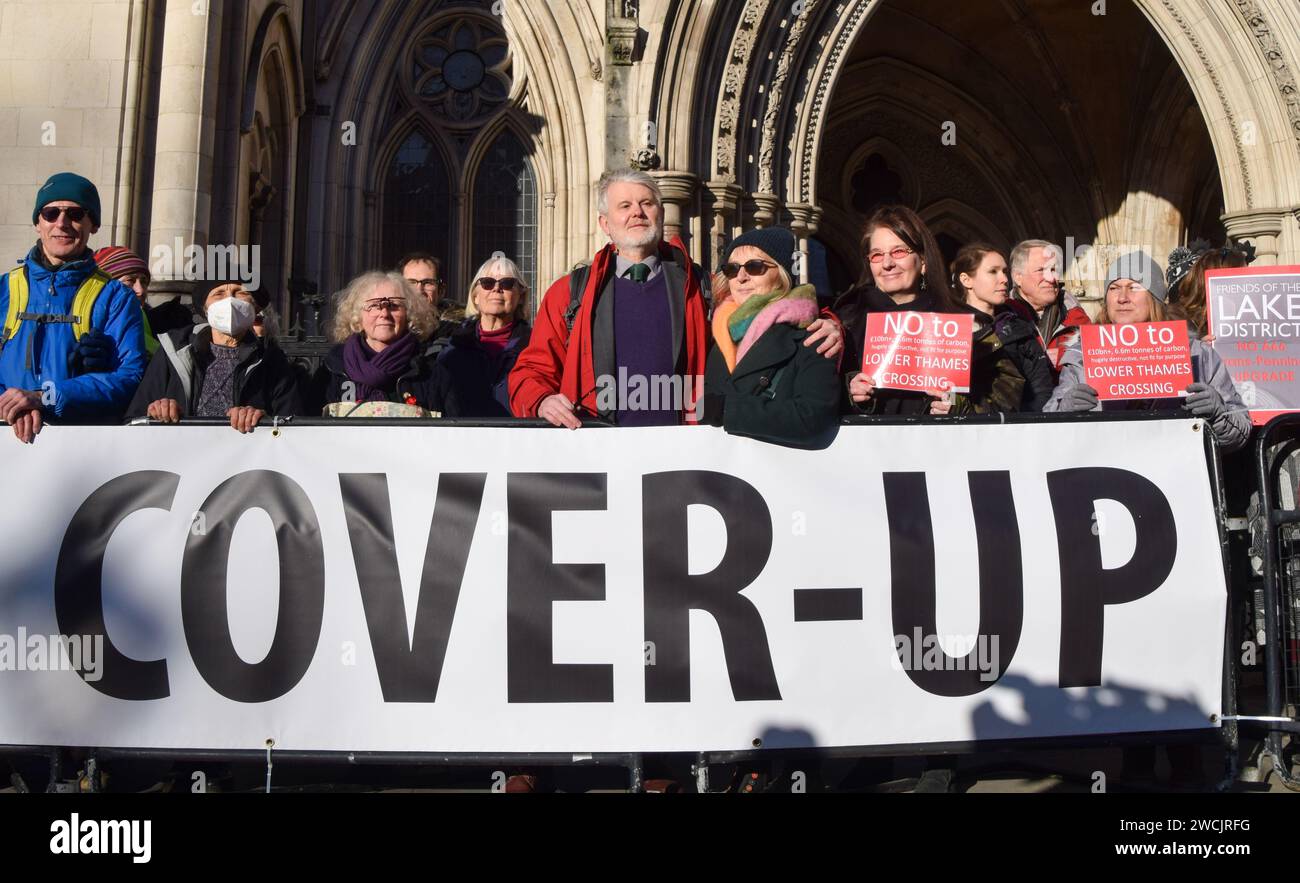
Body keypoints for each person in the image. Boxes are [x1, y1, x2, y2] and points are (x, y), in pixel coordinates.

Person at [509, 168, 843, 429]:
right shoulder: (570, 293)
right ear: (605, 223)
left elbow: (773, 305)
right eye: (624, 206)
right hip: (599, 453)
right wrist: (540, 400)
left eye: (647, 203)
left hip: (681, 455)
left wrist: (827, 324)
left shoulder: (699, 284)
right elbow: (532, 370)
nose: (637, 213)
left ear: (661, 213)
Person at [1043, 251, 1250, 452]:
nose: (1122, 298)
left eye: (1134, 287)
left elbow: (1240, 432)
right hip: (1106, 476)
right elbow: (1046, 432)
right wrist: (1063, 411)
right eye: (1114, 288)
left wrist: (1218, 413)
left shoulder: (1197, 354)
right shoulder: (1082, 356)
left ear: (1155, 298)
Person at [0, 173, 147, 443]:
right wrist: (12, 405)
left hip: (81, 447)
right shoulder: (4, 289)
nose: (62, 223)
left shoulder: (116, 297)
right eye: (51, 212)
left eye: (76, 214)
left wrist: (45, 397)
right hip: (7, 441)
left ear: (93, 225)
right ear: (37, 223)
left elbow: (130, 377)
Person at [700, 227, 839, 446]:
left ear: (782, 274)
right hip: (719, 472)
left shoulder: (813, 336)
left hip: (780, 472)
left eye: (755, 267)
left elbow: (814, 416)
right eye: (731, 269)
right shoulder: (716, 334)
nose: (741, 277)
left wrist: (728, 410)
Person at [127, 279, 301, 433]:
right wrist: (157, 410)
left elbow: (293, 427)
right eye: (219, 294)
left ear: (256, 308)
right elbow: (133, 420)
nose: (229, 301)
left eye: (240, 292)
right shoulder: (173, 351)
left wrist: (262, 419)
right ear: (205, 308)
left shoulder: (271, 361)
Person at [836, 204, 963, 416]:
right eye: (876, 255)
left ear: (922, 260)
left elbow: (1000, 400)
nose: (887, 263)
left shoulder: (960, 323)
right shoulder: (844, 322)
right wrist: (849, 391)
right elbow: (811, 396)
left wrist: (958, 405)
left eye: (899, 251)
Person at [311, 271, 458, 417]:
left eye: (394, 305)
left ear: (409, 315)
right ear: (357, 317)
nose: (384, 313)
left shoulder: (430, 373)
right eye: (374, 305)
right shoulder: (332, 370)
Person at [933, 244, 1054, 415]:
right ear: (966, 280)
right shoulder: (947, 330)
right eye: (993, 271)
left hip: (1016, 432)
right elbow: (944, 387)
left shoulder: (1019, 327)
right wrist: (952, 406)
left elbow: (1041, 391)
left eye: (1004, 271)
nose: (1004, 279)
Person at [436, 255, 532, 418]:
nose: (496, 289)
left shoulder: (534, 346)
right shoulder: (450, 347)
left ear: (520, 296)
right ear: (475, 296)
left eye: (507, 283)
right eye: (487, 283)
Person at [1004, 239, 1091, 374]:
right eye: (1041, 270)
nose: (1051, 278)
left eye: (1054, 269)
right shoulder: (1001, 321)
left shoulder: (1076, 317)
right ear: (1018, 277)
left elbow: (1094, 367)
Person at [93, 246, 193, 356]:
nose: (140, 290)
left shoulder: (158, 324)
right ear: (106, 285)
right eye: (130, 280)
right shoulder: (90, 327)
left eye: (144, 282)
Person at [1166, 242, 1252, 339]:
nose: (1249, 283)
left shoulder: (1250, 318)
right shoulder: (1174, 325)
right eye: (1242, 276)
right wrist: (1198, 349)